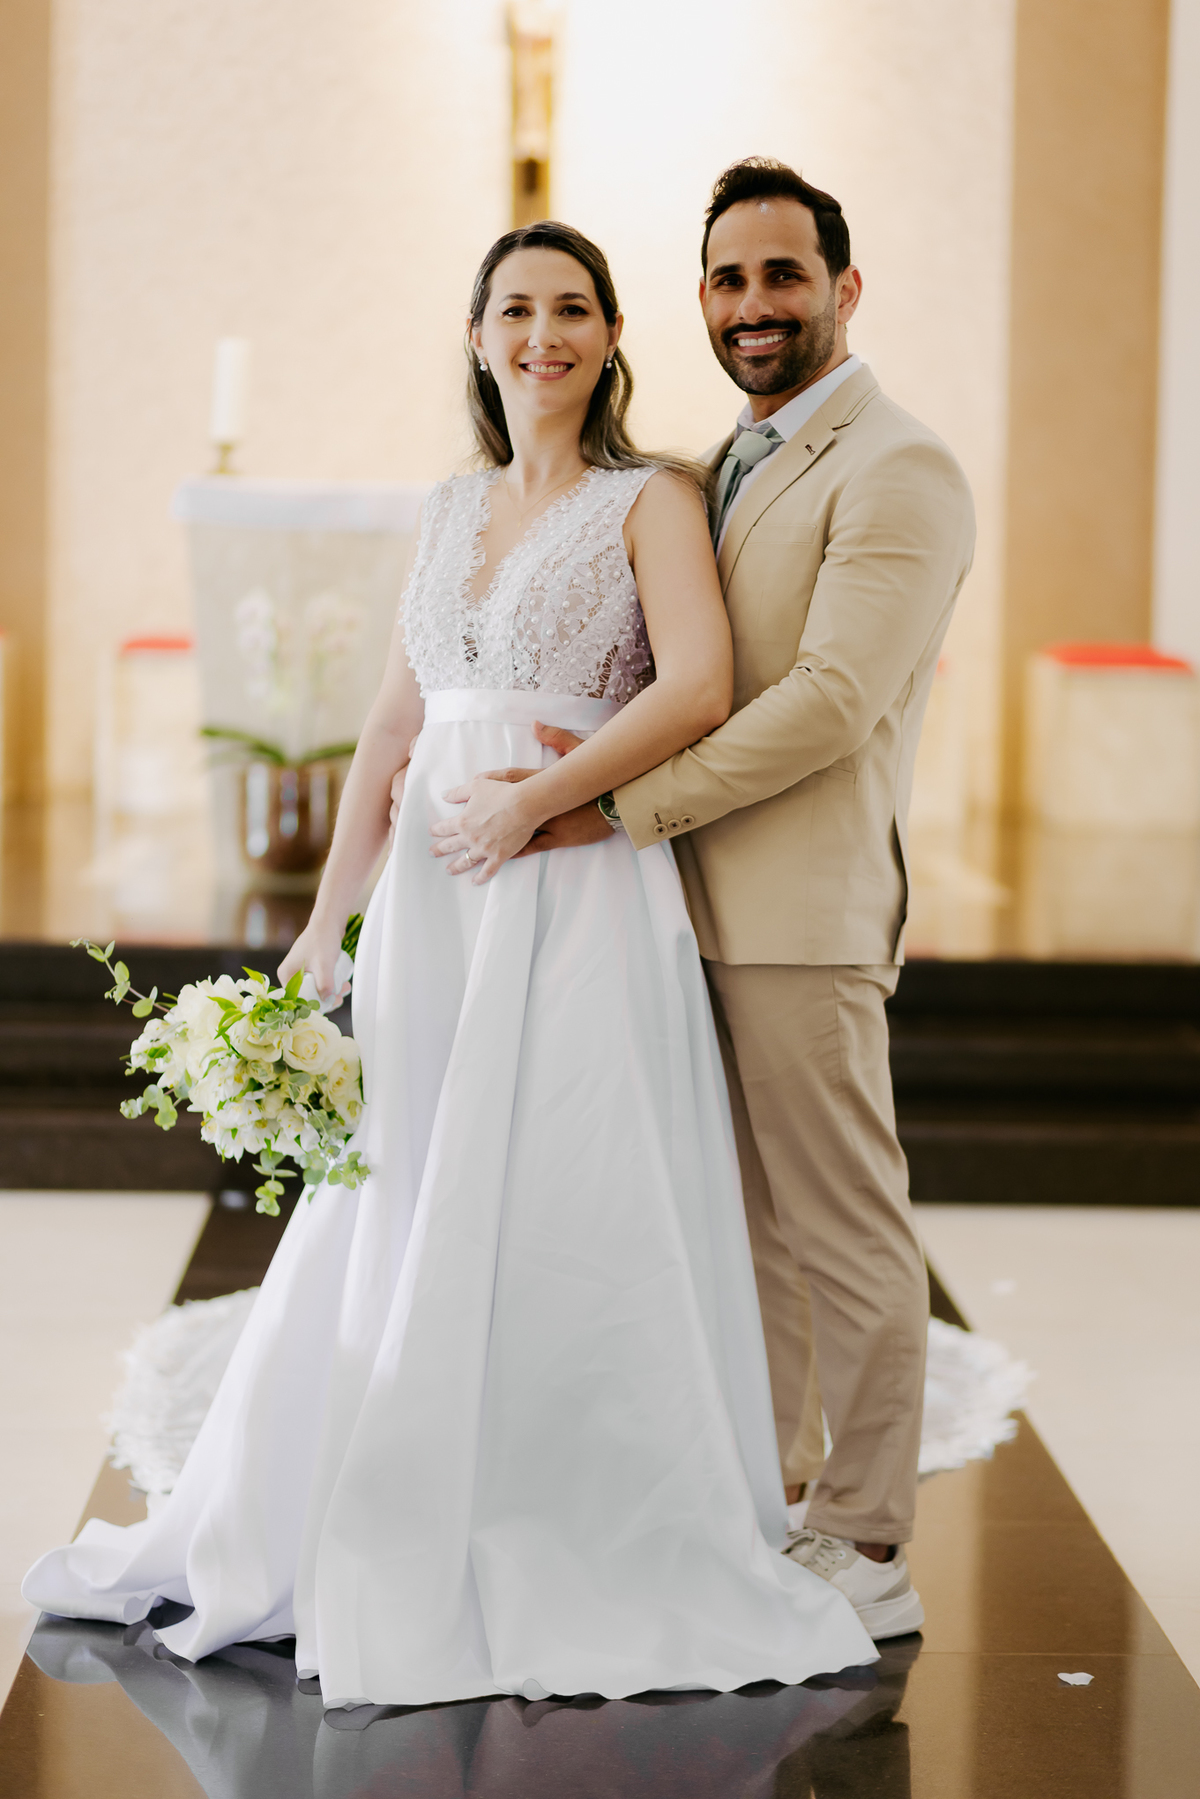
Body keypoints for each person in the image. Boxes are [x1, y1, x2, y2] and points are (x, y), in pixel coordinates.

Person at [23, 220, 874, 1705]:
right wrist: (323, 928)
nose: (543, 335)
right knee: (414, 1180)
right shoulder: (445, 507)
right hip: (436, 900)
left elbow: (696, 687)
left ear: (613, 335)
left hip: (578, 884)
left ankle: (566, 1508)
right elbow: (392, 732)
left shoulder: (653, 498)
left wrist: (543, 803)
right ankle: (387, 1483)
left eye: (572, 309)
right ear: (477, 337)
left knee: (566, 1182)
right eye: (515, 310)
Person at [437, 161, 976, 1640]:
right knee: (746, 1231)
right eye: (729, 281)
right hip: (675, 907)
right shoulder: (719, 467)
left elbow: (830, 700)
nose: (754, 305)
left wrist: (611, 808)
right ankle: (774, 1490)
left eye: (784, 275)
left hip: (797, 910)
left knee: (845, 1226)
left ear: (844, 289)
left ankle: (868, 1535)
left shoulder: (898, 467)